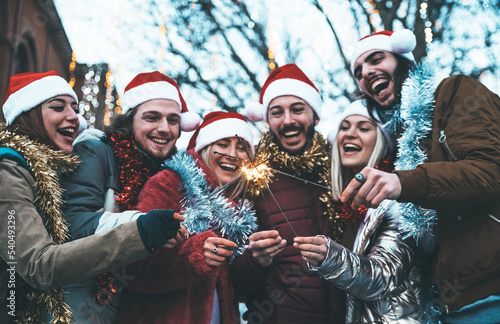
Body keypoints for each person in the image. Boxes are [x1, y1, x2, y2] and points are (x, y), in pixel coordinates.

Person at [0, 71, 185, 323]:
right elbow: (39, 266)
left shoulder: (46, 169)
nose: (73, 117)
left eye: (75, 108)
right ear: (28, 114)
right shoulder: (8, 170)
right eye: (58, 107)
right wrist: (139, 229)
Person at [343, 29, 500, 322]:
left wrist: (403, 182)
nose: (366, 73)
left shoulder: (455, 92)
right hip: (452, 304)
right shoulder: (402, 145)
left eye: (376, 59)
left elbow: (489, 174)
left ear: (404, 61)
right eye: (358, 72)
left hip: (491, 291)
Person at [60, 71, 199, 322]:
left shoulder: (174, 175)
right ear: (130, 119)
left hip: (135, 308)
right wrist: (141, 226)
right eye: (152, 117)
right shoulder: (97, 151)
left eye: (173, 120)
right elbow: (71, 222)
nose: (164, 128)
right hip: (82, 304)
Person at [294, 99, 437, 323]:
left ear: (382, 141)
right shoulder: (343, 211)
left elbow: (384, 276)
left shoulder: (399, 199)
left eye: (363, 128)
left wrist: (330, 257)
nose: (350, 134)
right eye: (344, 127)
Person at [115, 111, 257, 323]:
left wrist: (257, 259)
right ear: (205, 148)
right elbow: (133, 266)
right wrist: (195, 253)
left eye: (242, 147)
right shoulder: (169, 184)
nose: (233, 154)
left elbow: (237, 288)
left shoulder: (238, 209)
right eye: (224, 144)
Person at [232, 63, 347, 323]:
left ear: (315, 116)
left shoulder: (341, 166)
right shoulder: (253, 179)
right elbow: (235, 279)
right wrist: (254, 260)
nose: (288, 120)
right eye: (277, 112)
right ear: (267, 120)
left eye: (297, 109)